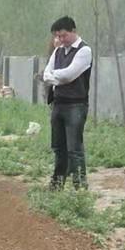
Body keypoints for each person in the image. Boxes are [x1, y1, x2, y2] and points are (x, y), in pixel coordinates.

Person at [43, 16, 92, 190]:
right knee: (58, 148)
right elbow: (46, 74)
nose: (61, 40)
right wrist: (54, 76)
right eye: (58, 36)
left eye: (63, 35)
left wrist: (53, 76)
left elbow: (68, 75)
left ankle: (80, 187)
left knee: (74, 149)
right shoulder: (58, 52)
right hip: (58, 104)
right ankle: (56, 185)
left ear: (73, 30)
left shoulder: (84, 51)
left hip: (75, 106)